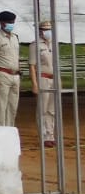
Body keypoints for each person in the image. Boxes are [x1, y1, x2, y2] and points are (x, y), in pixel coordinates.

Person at [0, 10, 21, 127]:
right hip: (3, 74)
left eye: (13, 22)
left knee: (13, 106)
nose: (11, 24)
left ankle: (10, 129)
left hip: (15, 75)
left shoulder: (15, 37)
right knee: (1, 106)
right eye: (9, 22)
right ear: (1, 22)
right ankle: (0, 130)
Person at [29, 20, 57, 148]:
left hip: (53, 79)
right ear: (40, 31)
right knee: (43, 108)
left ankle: (51, 134)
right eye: (45, 29)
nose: (47, 32)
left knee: (52, 109)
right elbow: (32, 66)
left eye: (49, 29)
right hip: (43, 78)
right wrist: (34, 84)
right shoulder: (35, 45)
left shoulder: (54, 44)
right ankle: (43, 135)